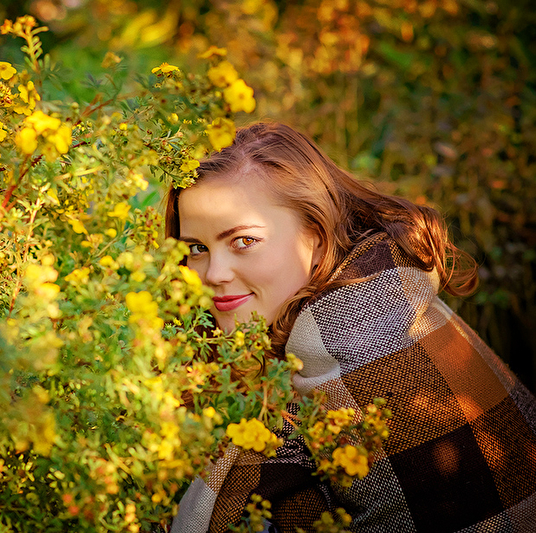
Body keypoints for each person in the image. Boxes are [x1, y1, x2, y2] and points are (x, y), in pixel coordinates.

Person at [165, 122, 536, 533]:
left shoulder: (358, 345)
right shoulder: (375, 297)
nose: (212, 273)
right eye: (196, 248)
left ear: (318, 235)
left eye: (244, 241)